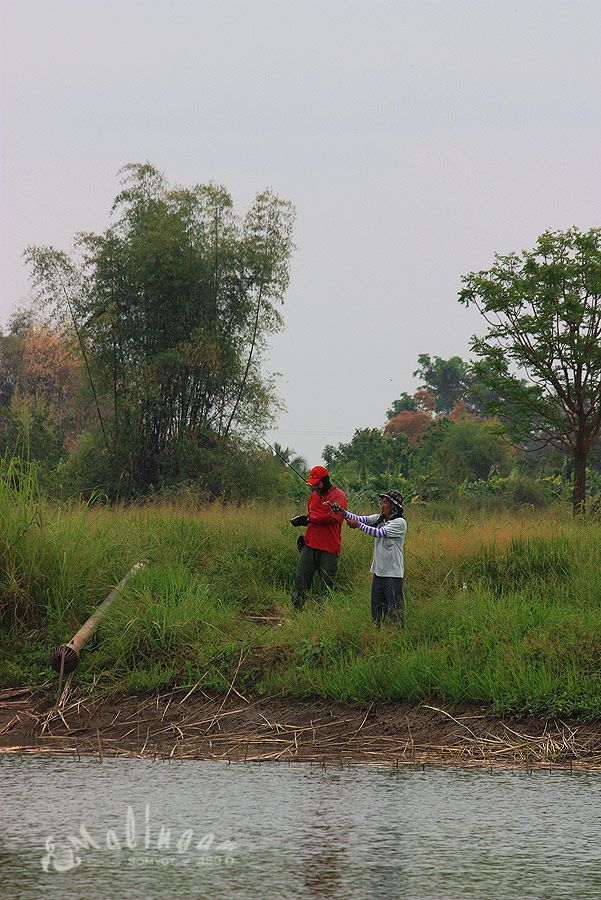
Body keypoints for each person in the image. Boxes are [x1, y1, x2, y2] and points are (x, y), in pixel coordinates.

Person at [332, 489, 406, 626]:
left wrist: (358, 526)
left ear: (394, 506)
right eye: (382, 502)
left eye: (386, 503)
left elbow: (378, 533)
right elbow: (361, 518)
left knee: (395, 611)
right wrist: (343, 513)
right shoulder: (380, 519)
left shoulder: (400, 523)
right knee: (377, 611)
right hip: (378, 573)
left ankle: (397, 636)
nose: (382, 505)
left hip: (393, 575)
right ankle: (379, 634)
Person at [289, 465, 347, 610]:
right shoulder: (314, 497)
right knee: (300, 579)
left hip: (329, 546)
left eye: (317, 483)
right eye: (313, 484)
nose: (315, 487)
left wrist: (308, 520)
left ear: (325, 481)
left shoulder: (339, 496)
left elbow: (333, 518)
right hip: (310, 545)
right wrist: (302, 520)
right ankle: (297, 613)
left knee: (326, 584)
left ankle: (324, 616)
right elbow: (313, 516)